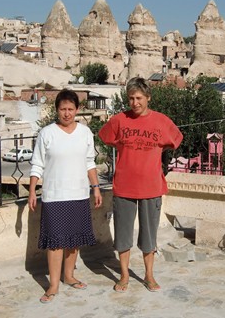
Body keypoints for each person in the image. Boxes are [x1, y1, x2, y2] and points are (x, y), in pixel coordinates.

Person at [98, 77, 183, 293]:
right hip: (124, 186)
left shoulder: (161, 121)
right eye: (131, 98)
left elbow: (176, 138)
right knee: (123, 235)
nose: (134, 102)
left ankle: (149, 275)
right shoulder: (118, 120)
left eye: (139, 98)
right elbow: (104, 135)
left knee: (149, 235)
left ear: (148, 98)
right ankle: (124, 275)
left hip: (151, 186)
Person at [28, 88, 102, 304]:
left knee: (73, 240)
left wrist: (95, 187)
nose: (67, 113)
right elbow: (37, 164)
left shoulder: (85, 133)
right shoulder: (47, 133)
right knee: (56, 243)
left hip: (79, 194)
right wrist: (33, 190)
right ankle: (52, 285)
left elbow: (90, 162)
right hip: (54, 195)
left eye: (71, 109)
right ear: (57, 110)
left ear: (77, 110)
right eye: (63, 109)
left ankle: (68, 276)